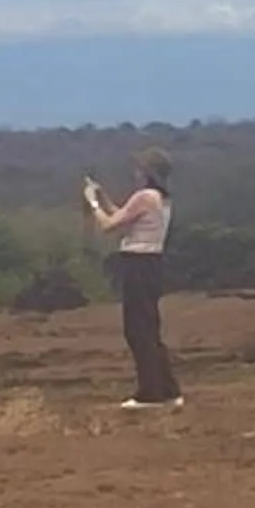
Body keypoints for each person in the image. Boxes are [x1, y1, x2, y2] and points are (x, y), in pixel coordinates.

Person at [86, 147, 182, 409]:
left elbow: (108, 225)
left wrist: (92, 204)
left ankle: (150, 392)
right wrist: (103, 197)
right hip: (152, 263)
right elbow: (121, 215)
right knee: (149, 327)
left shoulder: (144, 196)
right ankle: (168, 389)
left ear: (147, 171)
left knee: (137, 329)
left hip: (137, 263)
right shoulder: (160, 198)